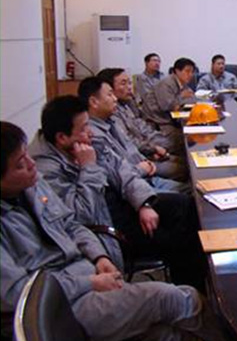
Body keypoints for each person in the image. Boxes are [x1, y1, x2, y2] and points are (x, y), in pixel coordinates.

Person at [1, 121, 204, 341]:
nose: (31, 163)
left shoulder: (32, 184)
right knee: (176, 298)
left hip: (88, 272)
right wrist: (89, 282)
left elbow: (71, 225)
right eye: (20, 164)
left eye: (27, 155)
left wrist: (100, 257)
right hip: (61, 308)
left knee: (164, 333)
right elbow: (20, 294)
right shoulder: (47, 170)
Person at [28, 96, 124, 271]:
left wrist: (143, 203)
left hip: (114, 205)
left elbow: (119, 168)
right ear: (62, 137)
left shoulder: (80, 147)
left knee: (174, 206)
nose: (91, 132)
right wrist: (89, 167)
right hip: (102, 228)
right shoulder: (45, 169)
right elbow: (82, 216)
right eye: (84, 128)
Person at [79, 76, 192, 195]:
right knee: (186, 177)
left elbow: (132, 146)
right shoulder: (95, 135)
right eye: (110, 94)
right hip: (137, 184)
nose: (115, 99)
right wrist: (145, 164)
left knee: (194, 187)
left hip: (145, 170)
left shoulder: (111, 120)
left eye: (129, 83)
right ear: (94, 102)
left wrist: (147, 158)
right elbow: (118, 177)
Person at [97, 68, 188, 181]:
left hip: (147, 149)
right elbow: (129, 142)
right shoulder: (111, 115)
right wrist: (152, 149)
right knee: (184, 167)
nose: (129, 87)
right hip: (141, 160)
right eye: (123, 83)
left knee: (186, 159)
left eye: (130, 83)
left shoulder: (126, 105)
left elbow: (141, 127)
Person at [141, 57, 198, 134]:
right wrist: (181, 97)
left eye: (192, 72)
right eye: (187, 71)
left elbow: (192, 99)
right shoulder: (166, 83)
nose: (190, 75)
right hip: (158, 120)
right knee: (184, 134)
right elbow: (166, 106)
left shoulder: (183, 83)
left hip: (172, 117)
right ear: (177, 71)